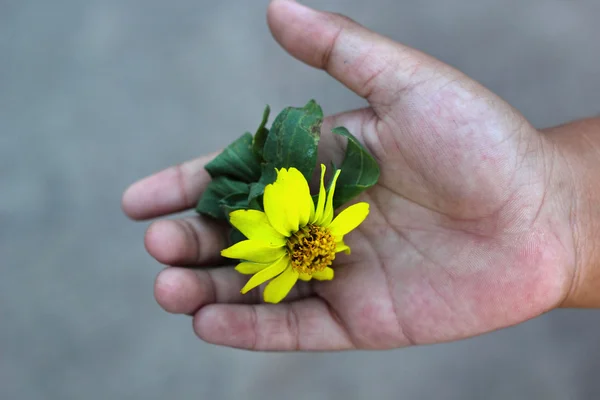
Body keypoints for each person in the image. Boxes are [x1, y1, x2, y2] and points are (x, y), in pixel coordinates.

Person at [121, 0, 600, 351]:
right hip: (289, 223)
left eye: (318, 257)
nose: (324, 260)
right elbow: (295, 235)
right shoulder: (316, 234)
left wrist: (557, 215)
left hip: (290, 221)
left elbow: (300, 222)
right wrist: (559, 215)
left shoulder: (315, 232)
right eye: (319, 256)